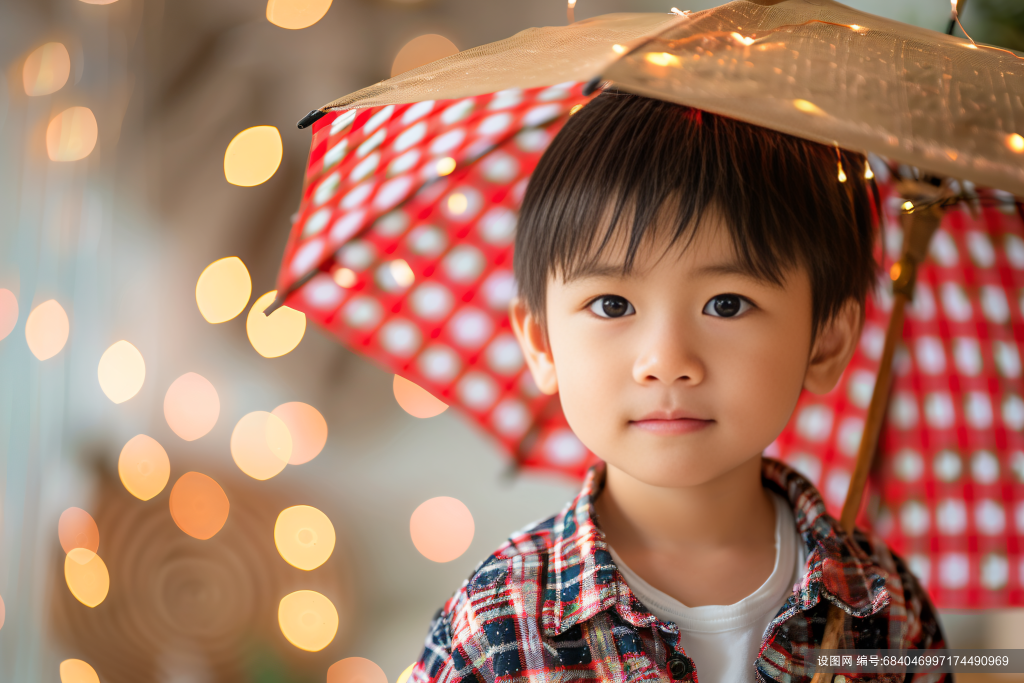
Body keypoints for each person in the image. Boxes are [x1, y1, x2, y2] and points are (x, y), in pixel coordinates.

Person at [408, 91, 948, 683]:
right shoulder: (498, 624)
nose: (667, 362)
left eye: (727, 304)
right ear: (541, 344)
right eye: (611, 304)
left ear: (825, 341)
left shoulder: (884, 607)